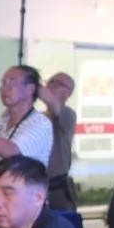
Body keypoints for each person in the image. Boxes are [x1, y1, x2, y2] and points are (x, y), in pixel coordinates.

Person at [39, 73, 78, 211]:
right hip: (37, 187)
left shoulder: (68, 115)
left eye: (58, 83)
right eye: (50, 81)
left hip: (57, 191)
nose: (51, 85)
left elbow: (50, 100)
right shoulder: (38, 117)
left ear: (68, 94)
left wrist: (29, 84)